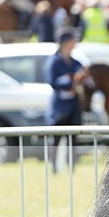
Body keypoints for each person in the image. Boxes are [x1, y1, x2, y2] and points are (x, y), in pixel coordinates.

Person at [44, 28, 84, 173]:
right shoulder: (54, 61)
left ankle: (72, 167)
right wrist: (71, 82)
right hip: (59, 106)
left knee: (73, 139)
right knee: (56, 138)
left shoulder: (76, 62)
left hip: (73, 105)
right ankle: (54, 167)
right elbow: (52, 81)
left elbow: (83, 76)